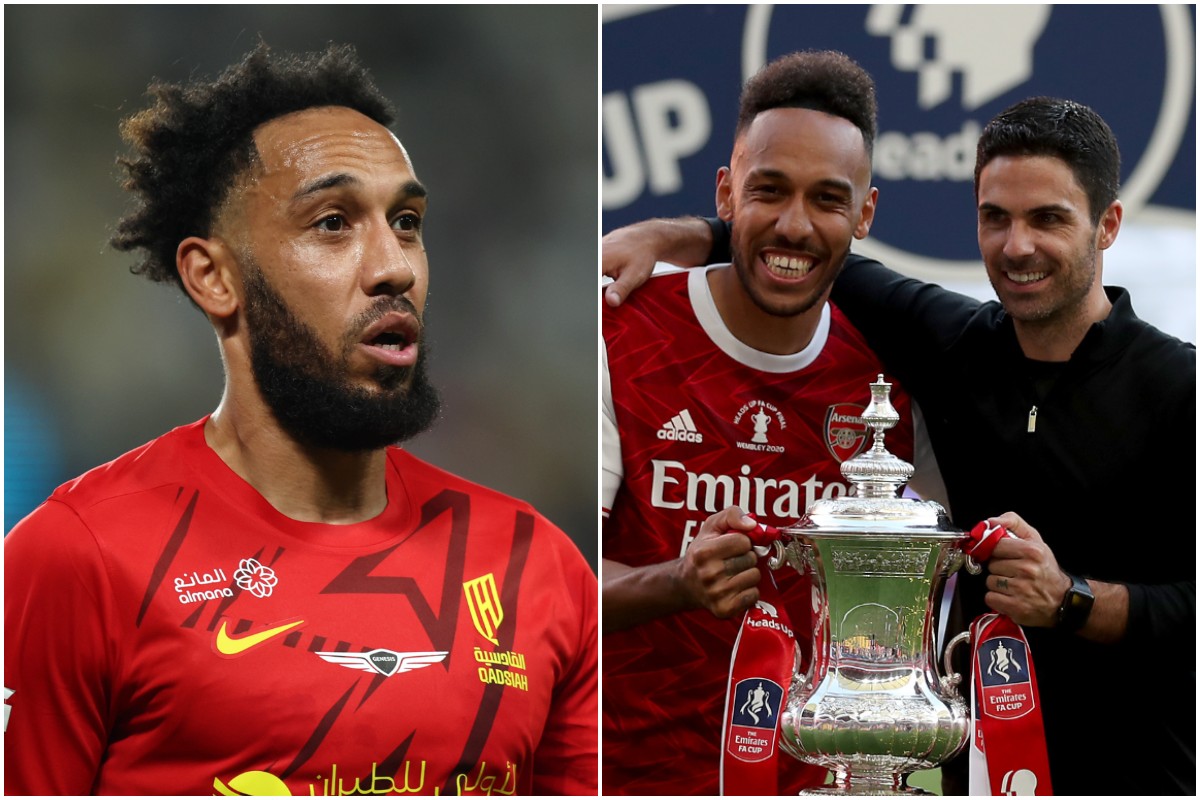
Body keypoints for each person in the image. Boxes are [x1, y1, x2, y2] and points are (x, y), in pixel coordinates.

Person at [4, 44, 598, 796]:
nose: (396, 267)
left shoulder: (535, 566)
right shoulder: (78, 557)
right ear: (213, 277)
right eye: (331, 222)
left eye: (407, 221)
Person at [603, 96, 1195, 795]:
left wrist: (1071, 600)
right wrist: (684, 232)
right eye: (995, 217)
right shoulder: (947, 346)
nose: (1017, 246)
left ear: (1108, 225)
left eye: (1048, 219)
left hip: (1140, 777)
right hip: (962, 768)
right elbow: (803, 246)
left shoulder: (1180, 387)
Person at [602, 50, 940, 795]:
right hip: (629, 775)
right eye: (769, 191)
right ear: (725, 194)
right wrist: (677, 581)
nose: (795, 226)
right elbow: (556, 585)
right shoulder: (619, 325)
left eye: (827, 199)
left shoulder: (888, 374)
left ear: (865, 214)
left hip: (819, 781)